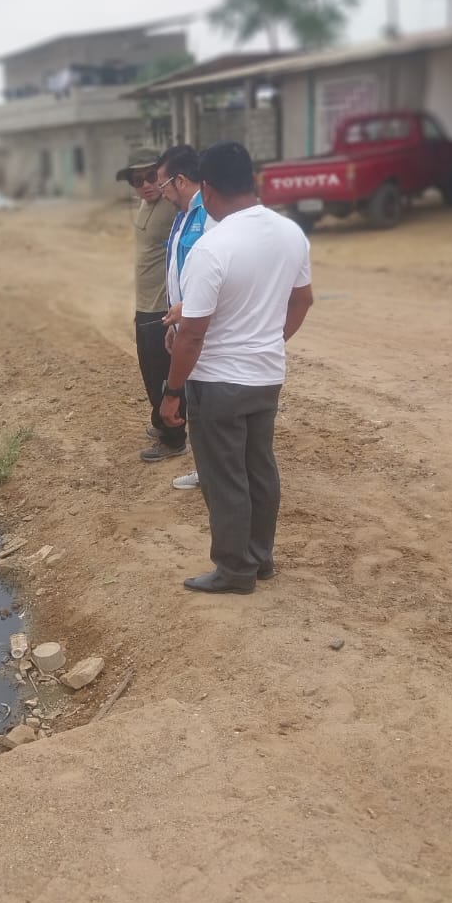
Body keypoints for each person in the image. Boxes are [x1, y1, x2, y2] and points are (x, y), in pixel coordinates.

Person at [158, 141, 313, 594]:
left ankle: (234, 570)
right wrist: (269, 341)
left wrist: (172, 392)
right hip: (265, 377)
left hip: (217, 383)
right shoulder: (290, 233)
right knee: (259, 470)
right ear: (253, 180)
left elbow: (191, 334)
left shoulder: (213, 246)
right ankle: (260, 559)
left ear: (206, 188)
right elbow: (302, 300)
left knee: (224, 478)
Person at [114, 146, 184, 462]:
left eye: (151, 176)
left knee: (162, 374)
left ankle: (174, 439)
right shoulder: (145, 204)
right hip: (144, 304)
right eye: (137, 180)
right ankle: (160, 420)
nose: (145, 185)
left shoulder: (172, 206)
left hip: (161, 306)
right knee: (149, 370)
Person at [153, 144, 212, 481]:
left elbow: (221, 276)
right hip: (185, 324)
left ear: (181, 180)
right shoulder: (182, 216)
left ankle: (214, 470)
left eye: (163, 184)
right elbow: (177, 272)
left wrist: (188, 311)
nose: (161, 192)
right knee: (197, 399)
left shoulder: (210, 216)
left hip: (206, 328)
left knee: (208, 402)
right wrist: (174, 323)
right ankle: (206, 467)